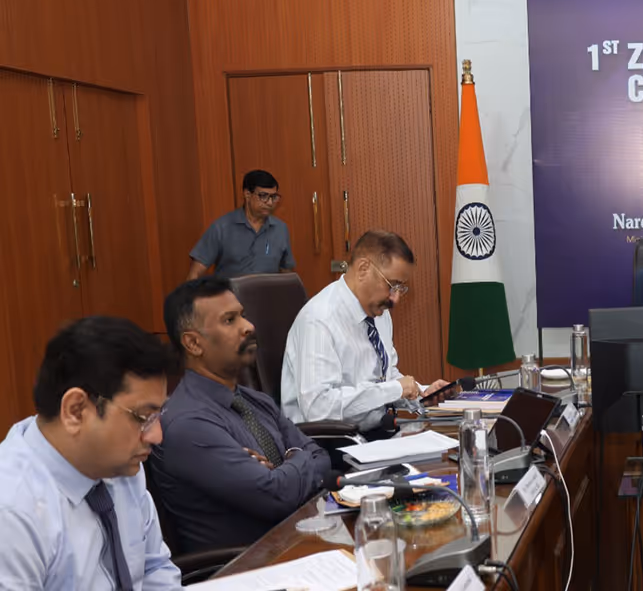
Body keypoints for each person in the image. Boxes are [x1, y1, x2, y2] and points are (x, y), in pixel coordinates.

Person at [150, 278, 331, 554]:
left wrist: (288, 464)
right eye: (229, 320)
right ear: (194, 343)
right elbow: (277, 497)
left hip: (297, 543)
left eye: (242, 315)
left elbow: (321, 457)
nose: (248, 326)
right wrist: (297, 458)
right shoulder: (188, 424)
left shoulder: (253, 400)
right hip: (247, 565)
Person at [0, 316, 182, 590]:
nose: (156, 436)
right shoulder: (12, 511)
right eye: (143, 417)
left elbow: (154, 568)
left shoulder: (122, 466)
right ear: (76, 411)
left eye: (157, 416)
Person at [282, 229, 448, 434]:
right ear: (363, 269)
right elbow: (318, 409)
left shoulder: (379, 313)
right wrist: (395, 389)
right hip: (329, 441)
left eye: (400, 288)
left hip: (376, 432)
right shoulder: (319, 319)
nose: (395, 299)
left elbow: (385, 377)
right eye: (392, 285)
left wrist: (422, 394)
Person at [188, 169, 294, 279]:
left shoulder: (281, 229)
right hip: (230, 290)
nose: (270, 203)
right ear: (247, 194)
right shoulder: (222, 228)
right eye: (264, 196)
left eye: (273, 197)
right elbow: (195, 273)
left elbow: (287, 274)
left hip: (268, 290)